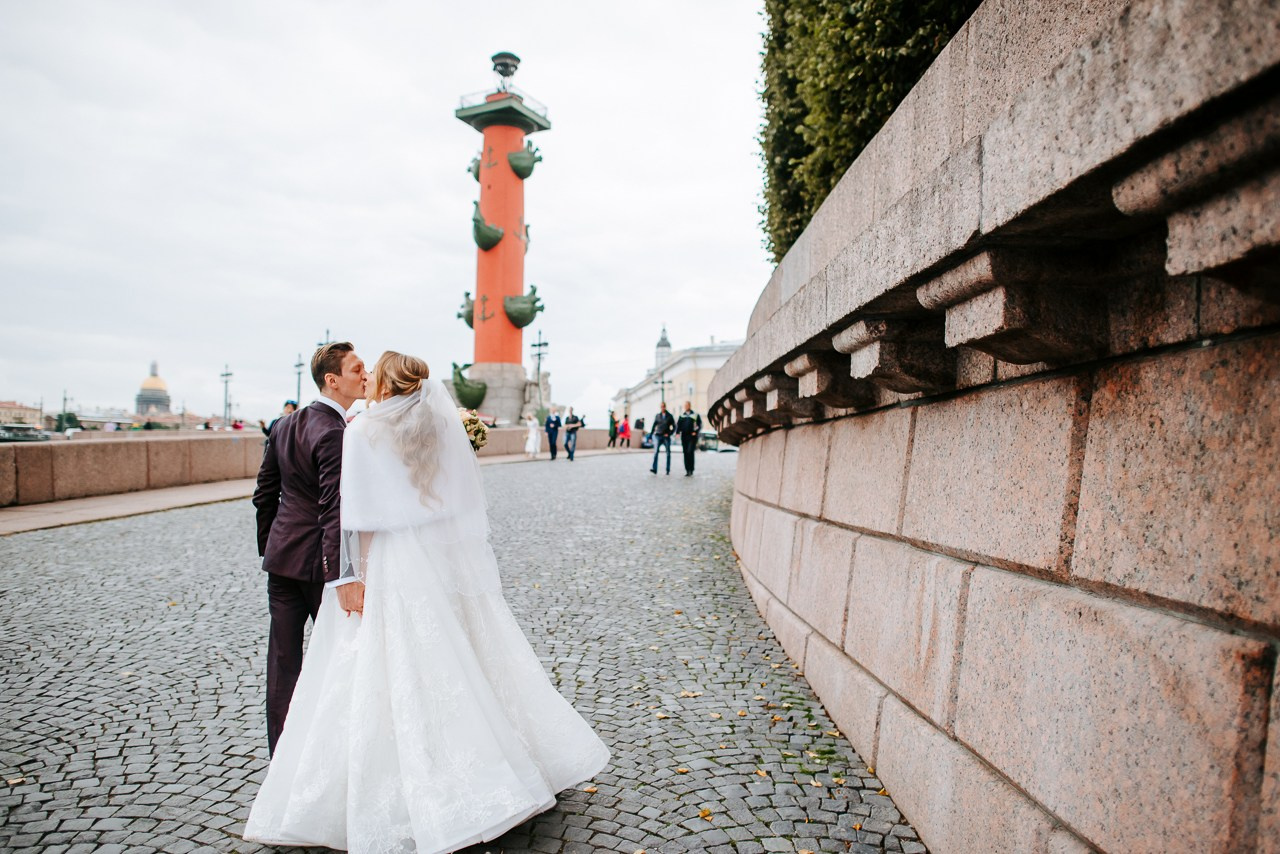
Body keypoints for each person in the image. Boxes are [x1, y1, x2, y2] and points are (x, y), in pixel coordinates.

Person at [244, 352, 610, 853]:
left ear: (386, 385)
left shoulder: (362, 431)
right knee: (448, 660)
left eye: (372, 371)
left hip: (384, 561)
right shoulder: (433, 430)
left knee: (368, 667)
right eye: (359, 369)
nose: (366, 376)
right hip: (429, 559)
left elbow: (354, 516)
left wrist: (349, 575)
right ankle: (490, 764)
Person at [252, 342, 367, 756]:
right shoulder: (336, 433)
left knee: (283, 664)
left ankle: (280, 754)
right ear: (332, 380)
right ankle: (333, 752)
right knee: (340, 659)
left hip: (281, 561)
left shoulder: (284, 425)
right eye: (357, 369)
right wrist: (342, 575)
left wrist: (272, 547)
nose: (365, 376)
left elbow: (263, 495)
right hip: (320, 569)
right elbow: (333, 509)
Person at [675, 401, 703, 477]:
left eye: (687, 405)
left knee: (690, 451)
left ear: (690, 406)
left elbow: (699, 424)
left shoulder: (695, 415)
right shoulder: (682, 415)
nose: (686, 406)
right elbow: (678, 425)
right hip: (684, 436)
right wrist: (677, 433)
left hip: (692, 436)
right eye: (685, 405)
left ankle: (691, 469)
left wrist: (696, 432)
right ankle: (687, 470)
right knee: (685, 453)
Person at [649, 402, 676, 475]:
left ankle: (667, 470)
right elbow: (653, 426)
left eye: (663, 406)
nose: (662, 408)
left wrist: (669, 433)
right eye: (661, 406)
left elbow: (674, 427)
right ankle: (654, 469)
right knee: (656, 453)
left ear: (665, 407)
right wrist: (650, 436)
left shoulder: (669, 416)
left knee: (668, 453)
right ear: (660, 407)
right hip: (658, 435)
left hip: (666, 437)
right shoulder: (658, 416)